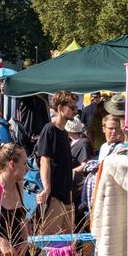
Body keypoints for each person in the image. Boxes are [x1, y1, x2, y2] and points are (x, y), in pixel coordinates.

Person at [34, 90, 78, 234]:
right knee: (51, 243)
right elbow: (45, 160)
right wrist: (47, 188)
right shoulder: (49, 129)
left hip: (67, 194)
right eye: (71, 107)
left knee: (67, 245)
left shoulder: (64, 132)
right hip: (55, 196)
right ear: (60, 108)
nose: (75, 110)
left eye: (75, 107)